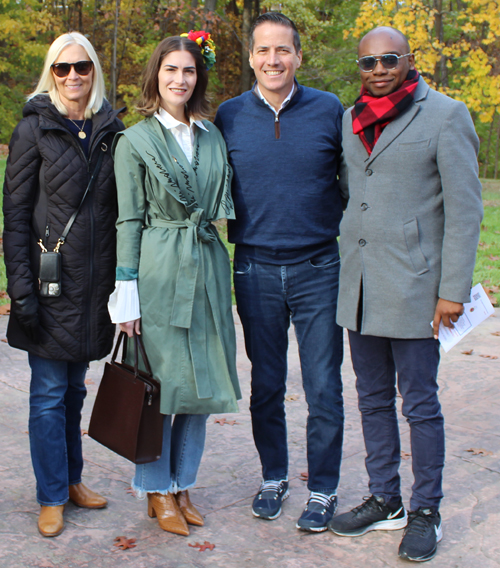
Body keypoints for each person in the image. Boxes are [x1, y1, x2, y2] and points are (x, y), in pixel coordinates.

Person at [328, 27, 483, 562]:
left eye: (389, 59)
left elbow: (466, 211)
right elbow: (353, 193)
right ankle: (385, 499)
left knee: (419, 404)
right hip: (362, 287)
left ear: (409, 60)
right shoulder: (350, 121)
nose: (378, 69)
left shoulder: (445, 114)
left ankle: (426, 510)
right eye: (368, 62)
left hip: (419, 289)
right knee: (371, 399)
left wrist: (452, 290)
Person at [214, 12, 345, 532]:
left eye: (283, 50)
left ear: (297, 56)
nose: (273, 60)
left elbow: (357, 181)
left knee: (323, 386)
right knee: (267, 384)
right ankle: (273, 476)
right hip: (254, 267)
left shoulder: (329, 109)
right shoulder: (227, 116)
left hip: (319, 266)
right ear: (250, 57)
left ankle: (324, 489)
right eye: (264, 51)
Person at [108, 32, 241, 537]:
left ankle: (183, 483)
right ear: (155, 76)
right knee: (160, 389)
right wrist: (127, 292)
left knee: (201, 386)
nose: (180, 79)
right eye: (171, 70)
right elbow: (128, 221)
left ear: (197, 77)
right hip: (159, 268)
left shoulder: (211, 136)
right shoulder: (134, 141)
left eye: (188, 71)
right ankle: (156, 489)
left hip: (206, 265)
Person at [3, 32, 124, 537]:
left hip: (94, 287)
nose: (72, 76)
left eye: (81, 67)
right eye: (61, 68)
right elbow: (14, 216)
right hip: (49, 289)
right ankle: (51, 495)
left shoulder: (112, 128)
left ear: (93, 70)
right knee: (49, 394)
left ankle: (72, 481)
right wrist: (22, 290)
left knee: (75, 391)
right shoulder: (34, 129)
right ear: (50, 73)